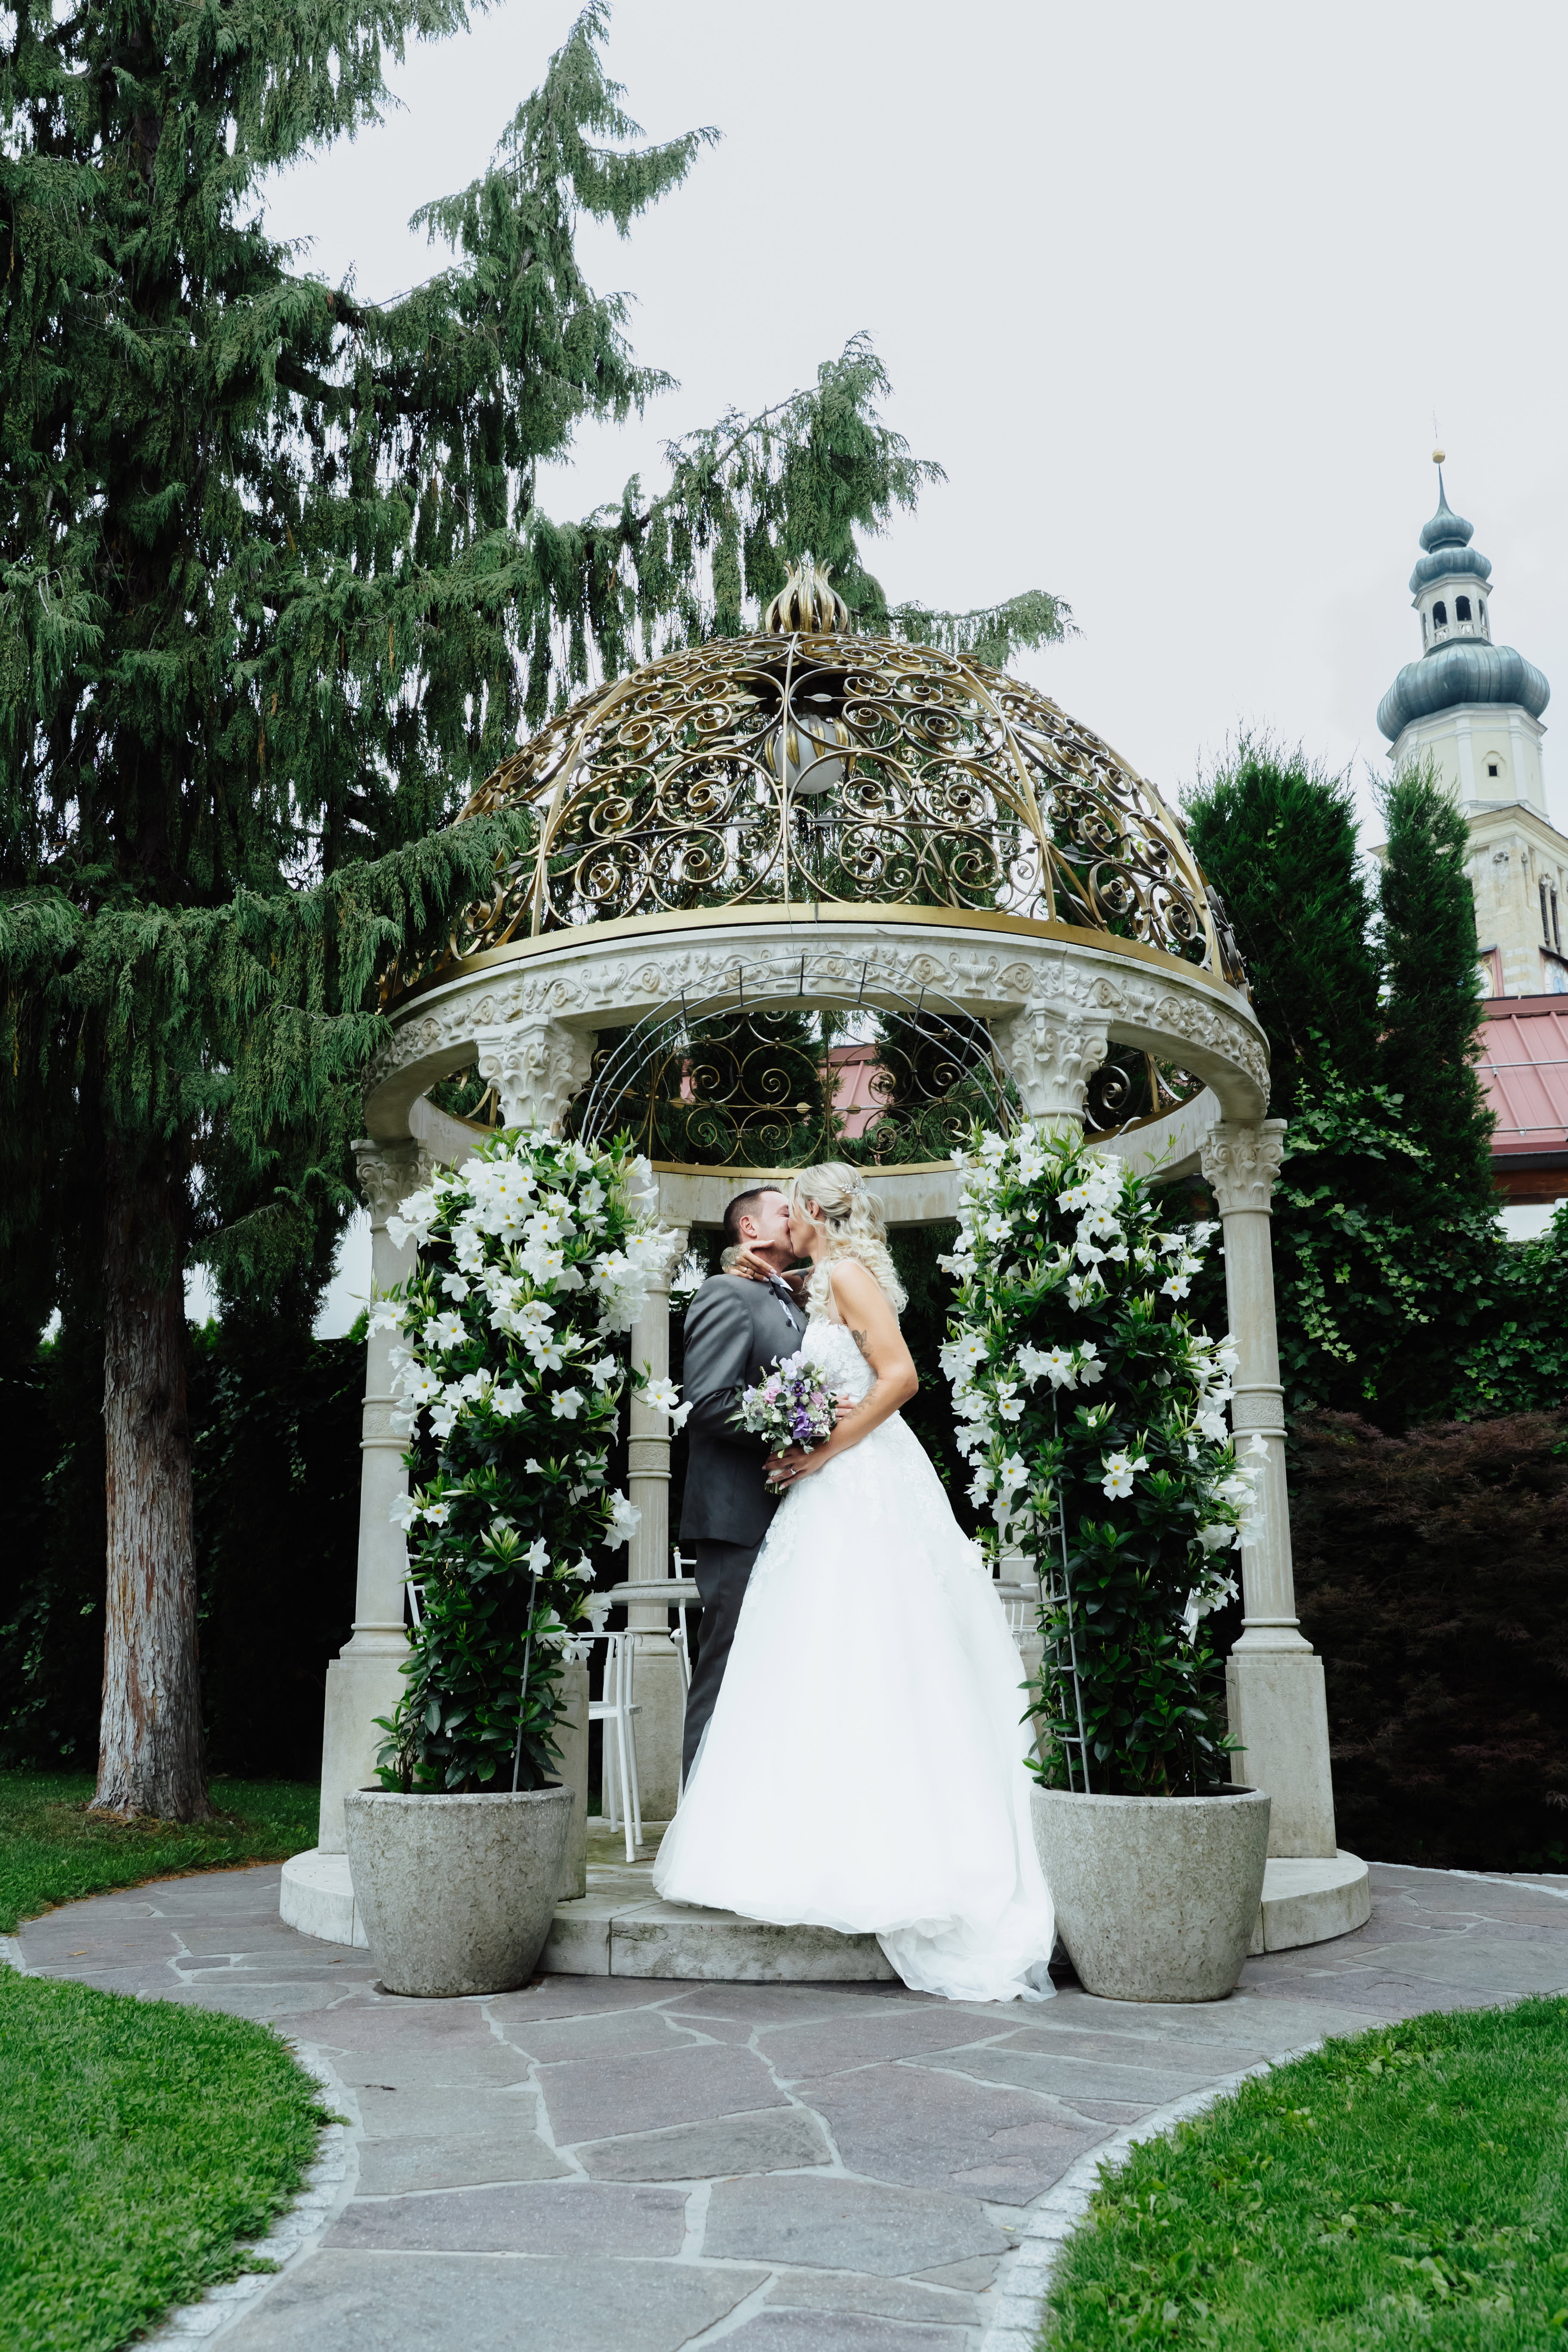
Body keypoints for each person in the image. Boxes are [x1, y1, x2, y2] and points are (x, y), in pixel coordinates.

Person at [656, 1162, 1056, 2003]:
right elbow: (739, 1385)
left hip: (853, 1478)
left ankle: (872, 1845)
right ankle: (809, 1838)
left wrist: (822, 1444)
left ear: (808, 1213)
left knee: (872, 1648)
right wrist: (802, 1432)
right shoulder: (808, 1282)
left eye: (787, 1203)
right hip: (819, 1489)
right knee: (819, 1661)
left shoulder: (838, 1274)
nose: (781, 1216)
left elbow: (899, 1377)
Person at [676, 1185, 807, 1784]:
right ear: (749, 1229)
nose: (798, 1216)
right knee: (725, 1669)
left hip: (797, 1517)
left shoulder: (796, 1302)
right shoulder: (723, 1292)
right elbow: (709, 1401)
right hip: (736, 1518)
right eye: (786, 1210)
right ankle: (694, 1826)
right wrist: (801, 1432)